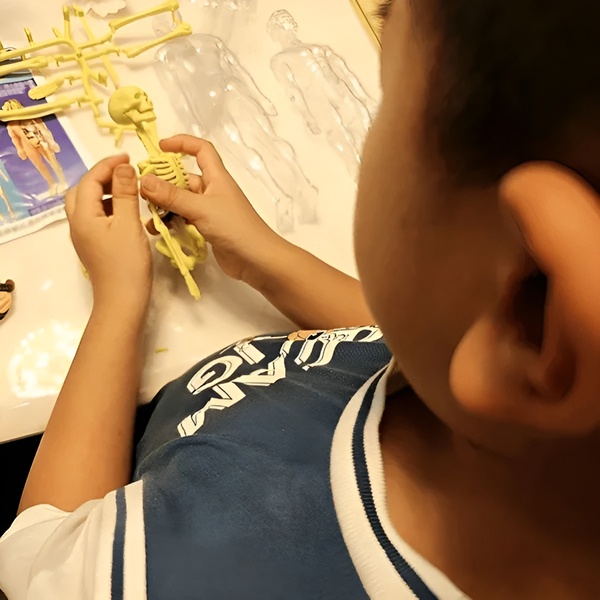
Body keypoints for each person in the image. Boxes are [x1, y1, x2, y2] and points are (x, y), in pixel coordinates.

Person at [1, 0, 599, 598]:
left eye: (386, 102)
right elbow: (396, 339)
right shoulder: (496, 416)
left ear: (534, 314)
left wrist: (117, 300)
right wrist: (263, 257)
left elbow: (38, 555)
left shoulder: (189, 567)